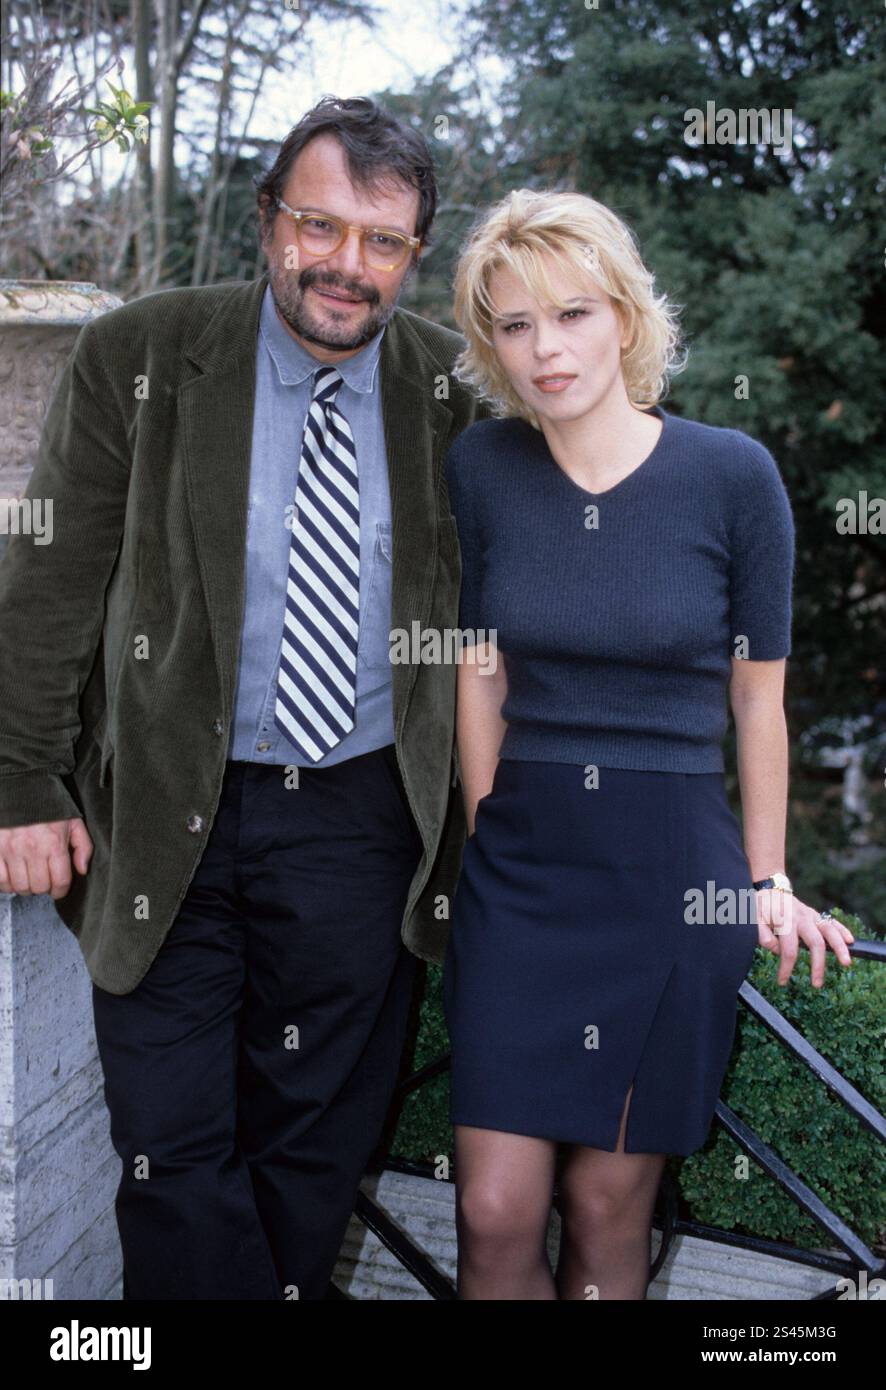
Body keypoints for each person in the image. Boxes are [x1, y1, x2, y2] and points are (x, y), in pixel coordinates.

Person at [0, 96, 488, 1299]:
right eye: (320, 225)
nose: (347, 265)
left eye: (383, 242)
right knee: (170, 1147)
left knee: (313, 1148)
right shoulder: (145, 353)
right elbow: (51, 577)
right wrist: (19, 776)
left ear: (415, 252)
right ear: (269, 220)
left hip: (363, 824)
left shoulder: (453, 392)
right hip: (171, 809)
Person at [440, 188, 855, 1301]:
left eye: (570, 314)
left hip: (671, 873)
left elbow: (758, 700)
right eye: (515, 325)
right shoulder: (483, 468)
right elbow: (478, 665)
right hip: (520, 876)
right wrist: (489, 821)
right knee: (490, 1211)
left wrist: (765, 874)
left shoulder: (731, 476)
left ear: (624, 316)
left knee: (606, 1209)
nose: (545, 349)